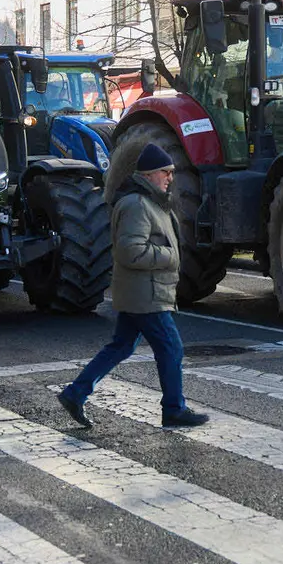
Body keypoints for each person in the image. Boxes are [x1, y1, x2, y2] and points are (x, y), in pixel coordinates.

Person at [57, 143, 209, 429]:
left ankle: (75, 394)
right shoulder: (137, 204)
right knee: (171, 348)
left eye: (171, 172)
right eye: (165, 172)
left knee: (122, 346)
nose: (170, 177)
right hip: (145, 294)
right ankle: (174, 410)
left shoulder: (152, 202)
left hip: (142, 291)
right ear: (148, 174)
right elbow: (130, 251)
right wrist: (169, 256)